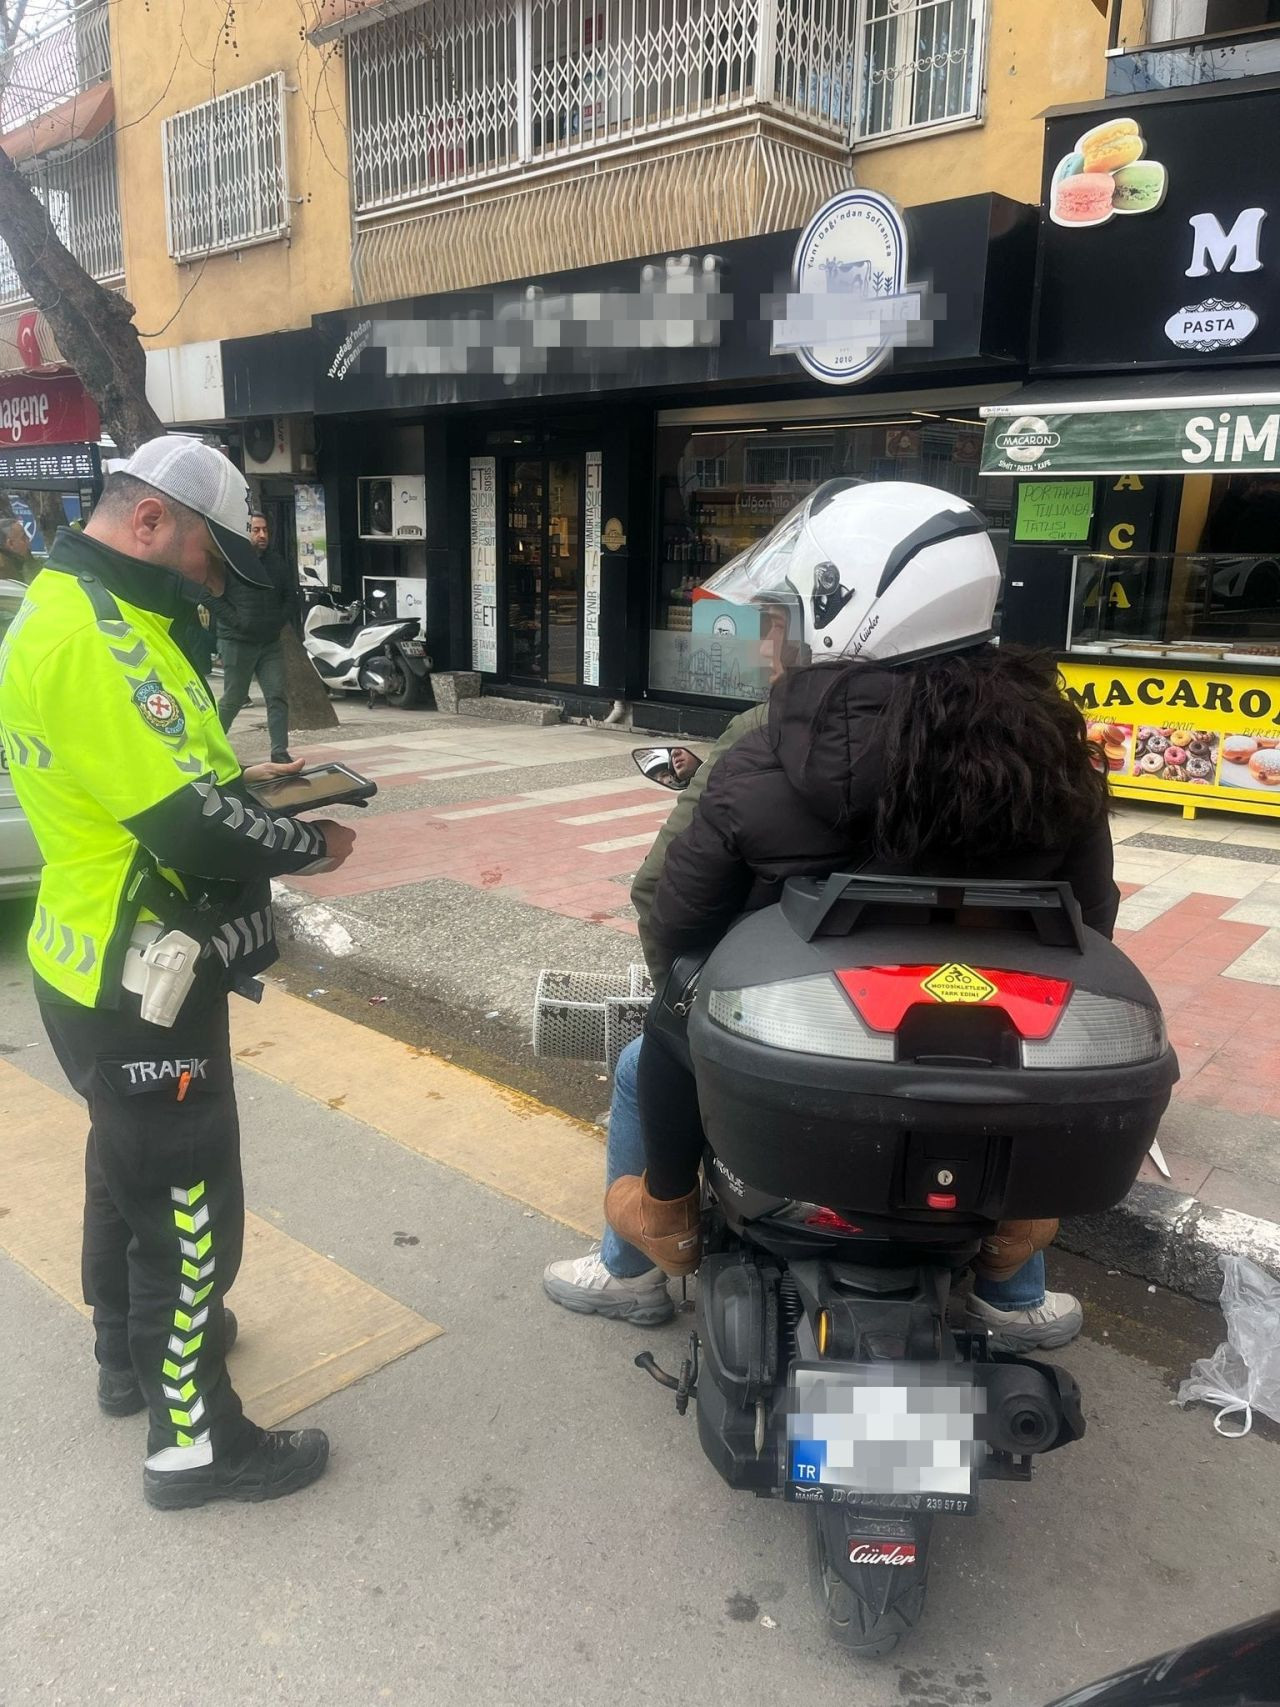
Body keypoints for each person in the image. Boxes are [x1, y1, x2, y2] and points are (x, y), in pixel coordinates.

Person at [601, 481, 1116, 1346]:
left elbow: (672, 909)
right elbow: (1088, 927)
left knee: (638, 1061)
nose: (785, 629)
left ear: (848, 605)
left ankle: (641, 1262)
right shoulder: (1053, 750)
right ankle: (1013, 1290)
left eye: (799, 605)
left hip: (794, 1044)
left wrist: (690, 1010)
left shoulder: (765, 746)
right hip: (984, 1048)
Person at [0, 435, 357, 1508]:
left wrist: (255, 780)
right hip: (140, 983)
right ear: (150, 521)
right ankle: (195, 1445)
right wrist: (310, 843)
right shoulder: (94, 636)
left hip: (90, 965)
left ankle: (129, 1355)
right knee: (193, 1211)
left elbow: (161, 777)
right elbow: (187, 830)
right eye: (207, 550)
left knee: (129, 1176)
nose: (210, 575)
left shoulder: (93, 614)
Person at [215, 510, 301, 764]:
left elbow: (290, 597)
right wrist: (237, 621)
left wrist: (277, 621)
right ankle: (211, 747)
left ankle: (279, 751)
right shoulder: (229, 561)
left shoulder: (276, 562)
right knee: (234, 698)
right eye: (256, 530)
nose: (262, 535)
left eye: (265, 530)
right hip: (237, 641)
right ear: (245, 531)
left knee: (276, 694)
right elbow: (209, 595)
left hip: (270, 641)